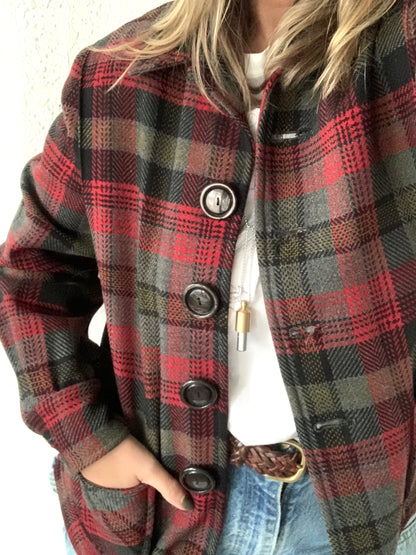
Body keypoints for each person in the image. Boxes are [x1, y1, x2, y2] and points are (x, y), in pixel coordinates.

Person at [2, 0, 416, 552]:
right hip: (160, 512)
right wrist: (88, 436)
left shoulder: (399, 59)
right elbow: (33, 272)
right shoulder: (118, 77)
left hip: (356, 509)